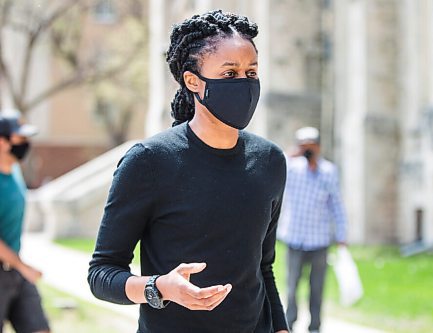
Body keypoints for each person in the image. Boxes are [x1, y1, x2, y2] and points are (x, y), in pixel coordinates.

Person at [88, 10, 289, 333]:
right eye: (229, 74)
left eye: (251, 73)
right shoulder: (149, 161)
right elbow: (102, 274)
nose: (245, 83)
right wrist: (160, 287)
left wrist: (280, 327)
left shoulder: (270, 161)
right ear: (192, 81)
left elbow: (262, 266)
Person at [278, 126, 348, 333]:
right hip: (294, 238)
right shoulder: (291, 167)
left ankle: (315, 327)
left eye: (311, 145)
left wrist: (342, 236)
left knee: (317, 288)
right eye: (304, 145)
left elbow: (336, 204)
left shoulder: (329, 171)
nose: (308, 150)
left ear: (319, 146)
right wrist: (294, 152)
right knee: (291, 287)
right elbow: (273, 163)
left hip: (319, 240)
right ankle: (288, 324)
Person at [0, 111, 50, 333]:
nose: (26, 144)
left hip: (15, 269)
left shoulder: (15, 171)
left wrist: (19, 266)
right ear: (2, 142)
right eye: (21, 139)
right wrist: (23, 266)